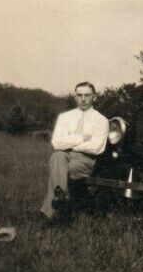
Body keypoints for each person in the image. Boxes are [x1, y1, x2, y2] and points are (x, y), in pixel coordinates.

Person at [40, 82, 109, 223]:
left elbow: (96, 147)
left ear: (94, 97)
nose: (83, 99)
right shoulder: (65, 117)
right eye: (79, 95)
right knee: (57, 155)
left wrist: (69, 141)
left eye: (87, 95)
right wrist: (82, 138)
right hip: (63, 156)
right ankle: (61, 200)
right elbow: (56, 143)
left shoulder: (101, 120)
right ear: (75, 97)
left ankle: (49, 215)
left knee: (58, 170)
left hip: (86, 160)